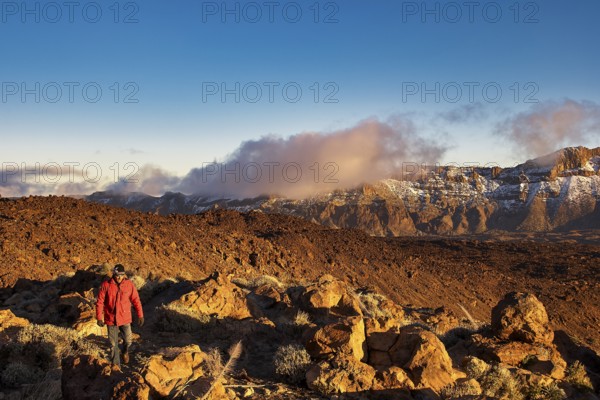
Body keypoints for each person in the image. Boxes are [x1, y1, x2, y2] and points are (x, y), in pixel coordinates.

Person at [95, 264, 144, 366]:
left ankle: (125, 351)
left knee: (128, 341)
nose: (119, 277)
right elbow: (100, 302)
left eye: (121, 275)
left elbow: (136, 300)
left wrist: (140, 315)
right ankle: (116, 366)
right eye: (117, 275)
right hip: (111, 319)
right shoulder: (106, 285)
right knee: (113, 345)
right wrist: (99, 317)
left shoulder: (129, 285)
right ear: (113, 274)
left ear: (124, 274)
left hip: (125, 318)